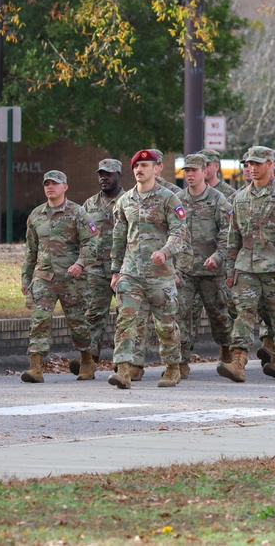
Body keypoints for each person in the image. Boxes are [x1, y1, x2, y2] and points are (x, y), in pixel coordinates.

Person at [220, 146, 275, 383]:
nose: (253, 168)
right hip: (246, 268)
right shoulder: (240, 197)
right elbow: (233, 237)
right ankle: (238, 361)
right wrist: (230, 270)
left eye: (258, 163)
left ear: (271, 164)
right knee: (243, 314)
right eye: (249, 164)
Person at [108, 150, 188, 389]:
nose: (139, 169)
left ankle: (172, 367)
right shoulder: (125, 201)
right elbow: (119, 237)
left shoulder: (169, 199)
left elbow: (179, 233)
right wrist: (115, 271)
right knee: (125, 321)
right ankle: (123, 369)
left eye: (145, 165)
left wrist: (165, 252)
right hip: (130, 273)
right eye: (136, 166)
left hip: (160, 276)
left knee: (165, 326)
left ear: (158, 168)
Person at [20, 170, 98, 383]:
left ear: (65, 187)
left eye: (55, 183)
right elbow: (31, 251)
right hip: (44, 278)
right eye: (47, 184)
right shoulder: (36, 215)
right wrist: (26, 280)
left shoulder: (78, 213)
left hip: (72, 280)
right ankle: (35, 367)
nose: (50, 187)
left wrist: (80, 264)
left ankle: (86, 361)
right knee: (39, 321)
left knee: (78, 323)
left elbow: (91, 243)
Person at [174, 153, 235, 377]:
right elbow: (171, 233)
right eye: (186, 171)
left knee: (219, 316)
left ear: (204, 172)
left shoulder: (218, 199)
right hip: (185, 270)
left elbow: (228, 233)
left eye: (194, 171)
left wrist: (219, 257)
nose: (189, 175)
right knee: (181, 314)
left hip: (212, 271)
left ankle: (227, 352)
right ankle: (181, 361)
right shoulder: (177, 200)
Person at [74, 159, 124, 376]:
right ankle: (89, 361)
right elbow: (82, 236)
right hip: (96, 269)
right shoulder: (89, 204)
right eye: (101, 174)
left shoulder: (128, 201)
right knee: (93, 315)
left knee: (126, 316)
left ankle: (125, 362)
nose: (104, 178)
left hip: (123, 268)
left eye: (109, 174)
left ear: (119, 175)